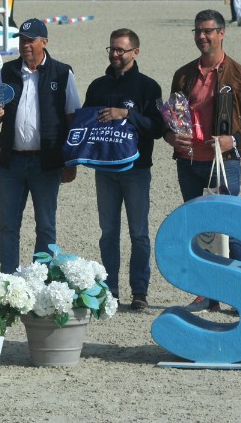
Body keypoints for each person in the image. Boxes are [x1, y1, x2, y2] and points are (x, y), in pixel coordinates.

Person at [164, 9, 241, 314]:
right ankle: (206, 293)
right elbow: (172, 117)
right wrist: (172, 137)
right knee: (198, 230)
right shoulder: (183, 74)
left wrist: (235, 139)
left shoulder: (239, 74)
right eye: (198, 31)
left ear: (222, 33)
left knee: (229, 229)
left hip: (224, 162)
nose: (203, 36)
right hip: (188, 162)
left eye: (209, 31)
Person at [0, 18, 81, 274]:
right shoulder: (7, 72)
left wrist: (71, 162)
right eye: (22, 40)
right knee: (7, 225)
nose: (25, 45)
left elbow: (73, 118)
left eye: (30, 40)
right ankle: (8, 279)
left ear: (45, 42)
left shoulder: (62, 73)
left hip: (46, 163)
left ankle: (41, 278)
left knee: (46, 226)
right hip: (11, 163)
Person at [82, 28, 165, 310]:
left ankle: (139, 292)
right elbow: (84, 124)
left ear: (135, 52)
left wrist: (127, 114)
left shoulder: (148, 87)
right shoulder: (97, 87)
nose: (116, 54)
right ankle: (110, 289)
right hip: (104, 171)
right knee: (108, 232)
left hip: (136, 170)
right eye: (112, 49)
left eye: (121, 50)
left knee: (139, 233)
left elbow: (157, 128)